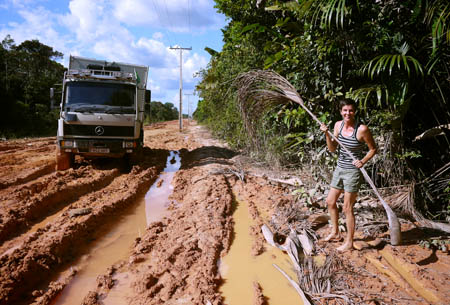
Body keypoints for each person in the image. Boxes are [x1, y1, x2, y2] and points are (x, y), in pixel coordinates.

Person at [320, 98, 377, 251]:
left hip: (352, 172)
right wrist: (327, 134)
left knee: (347, 208)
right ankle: (335, 232)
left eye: (350, 110)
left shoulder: (362, 129)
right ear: (341, 112)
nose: (348, 113)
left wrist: (363, 161)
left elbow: (373, 149)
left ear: (355, 111)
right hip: (339, 169)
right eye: (345, 110)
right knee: (330, 202)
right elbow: (332, 149)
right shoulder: (338, 125)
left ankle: (349, 243)